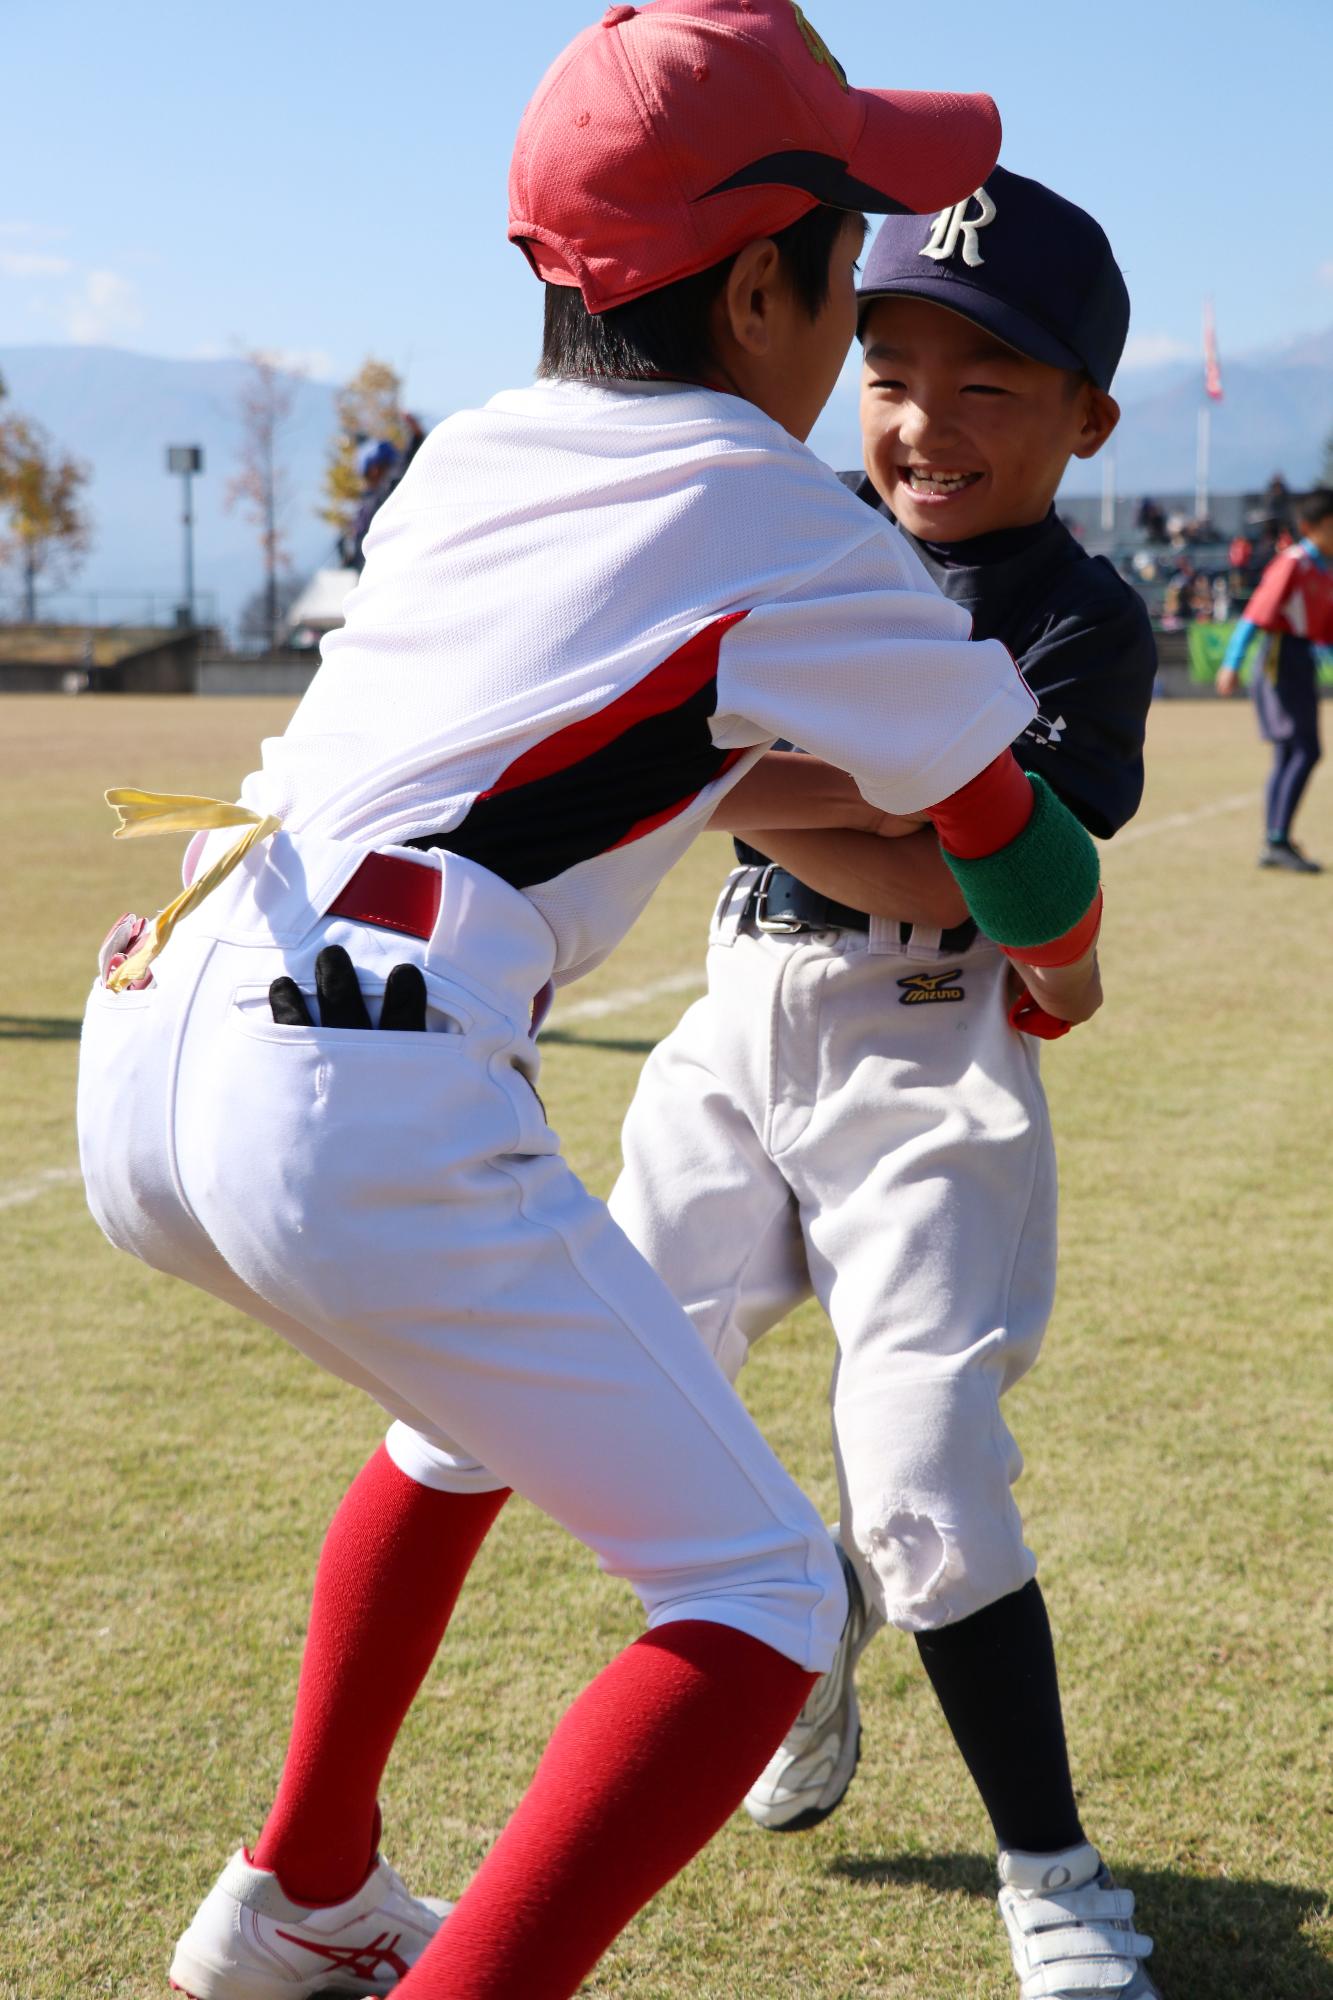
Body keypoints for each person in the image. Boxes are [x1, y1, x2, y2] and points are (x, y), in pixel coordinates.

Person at [73, 7, 1107, 1998]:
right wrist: (1059, 972)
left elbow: (652, 748)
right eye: (848, 268)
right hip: (359, 1073)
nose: (860, 341)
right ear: (756, 288)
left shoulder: (473, 456)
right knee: (755, 1599)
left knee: (448, 1439)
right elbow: (1023, 847)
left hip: (168, 1018)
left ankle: (300, 1890)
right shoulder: (784, 516)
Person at [608, 168, 1162, 2000]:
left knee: (919, 1463)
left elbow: (995, 876)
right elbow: (683, 752)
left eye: (985, 385)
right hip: (732, 1014)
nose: (922, 422)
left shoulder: (1084, 612)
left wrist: (769, 785)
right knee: (621, 1393)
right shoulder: (805, 534)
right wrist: (878, 790)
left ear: (1085, 414)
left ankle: (1052, 1876)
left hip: (931, 1049)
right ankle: (807, 1606)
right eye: (889, 368)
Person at [1215, 487, 1333, 872]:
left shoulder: (1323, 568)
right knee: (1305, 749)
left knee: (1289, 751)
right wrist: (1232, 662)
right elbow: (1255, 613)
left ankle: (1276, 840)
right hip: (1279, 656)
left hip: (1298, 656)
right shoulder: (1294, 562)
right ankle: (1276, 840)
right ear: (1309, 527)